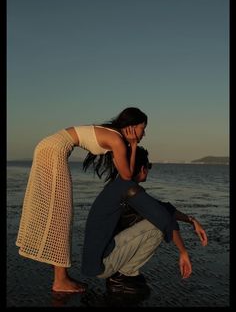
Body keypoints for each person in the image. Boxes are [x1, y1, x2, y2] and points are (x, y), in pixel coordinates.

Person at [16, 107, 148, 293]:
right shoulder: (117, 139)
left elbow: (123, 173)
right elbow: (127, 176)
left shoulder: (114, 138)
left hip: (49, 147)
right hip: (54, 150)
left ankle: (60, 276)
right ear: (133, 127)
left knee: (57, 213)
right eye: (143, 127)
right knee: (61, 213)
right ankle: (60, 280)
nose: (145, 133)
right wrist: (133, 146)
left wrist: (130, 146)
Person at [81, 147, 208, 294]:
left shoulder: (120, 185)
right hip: (102, 263)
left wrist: (191, 220)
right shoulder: (129, 189)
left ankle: (121, 274)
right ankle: (122, 276)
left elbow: (162, 207)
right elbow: (165, 219)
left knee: (157, 216)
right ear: (142, 168)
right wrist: (183, 252)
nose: (148, 170)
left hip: (97, 259)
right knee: (158, 227)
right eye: (149, 166)